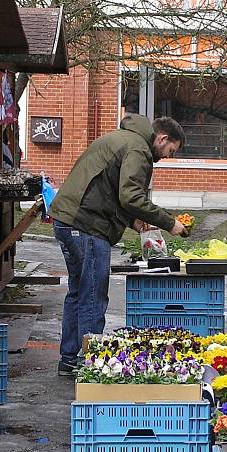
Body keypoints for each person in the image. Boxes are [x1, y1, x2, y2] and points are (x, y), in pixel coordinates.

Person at [49, 114, 188, 376]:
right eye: (170, 150)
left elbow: (109, 190)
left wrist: (132, 222)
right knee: (92, 294)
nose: (167, 156)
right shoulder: (139, 149)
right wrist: (169, 223)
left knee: (79, 292)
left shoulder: (123, 138)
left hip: (68, 220)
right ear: (162, 138)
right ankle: (90, 363)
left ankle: (69, 359)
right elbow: (131, 196)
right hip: (86, 225)